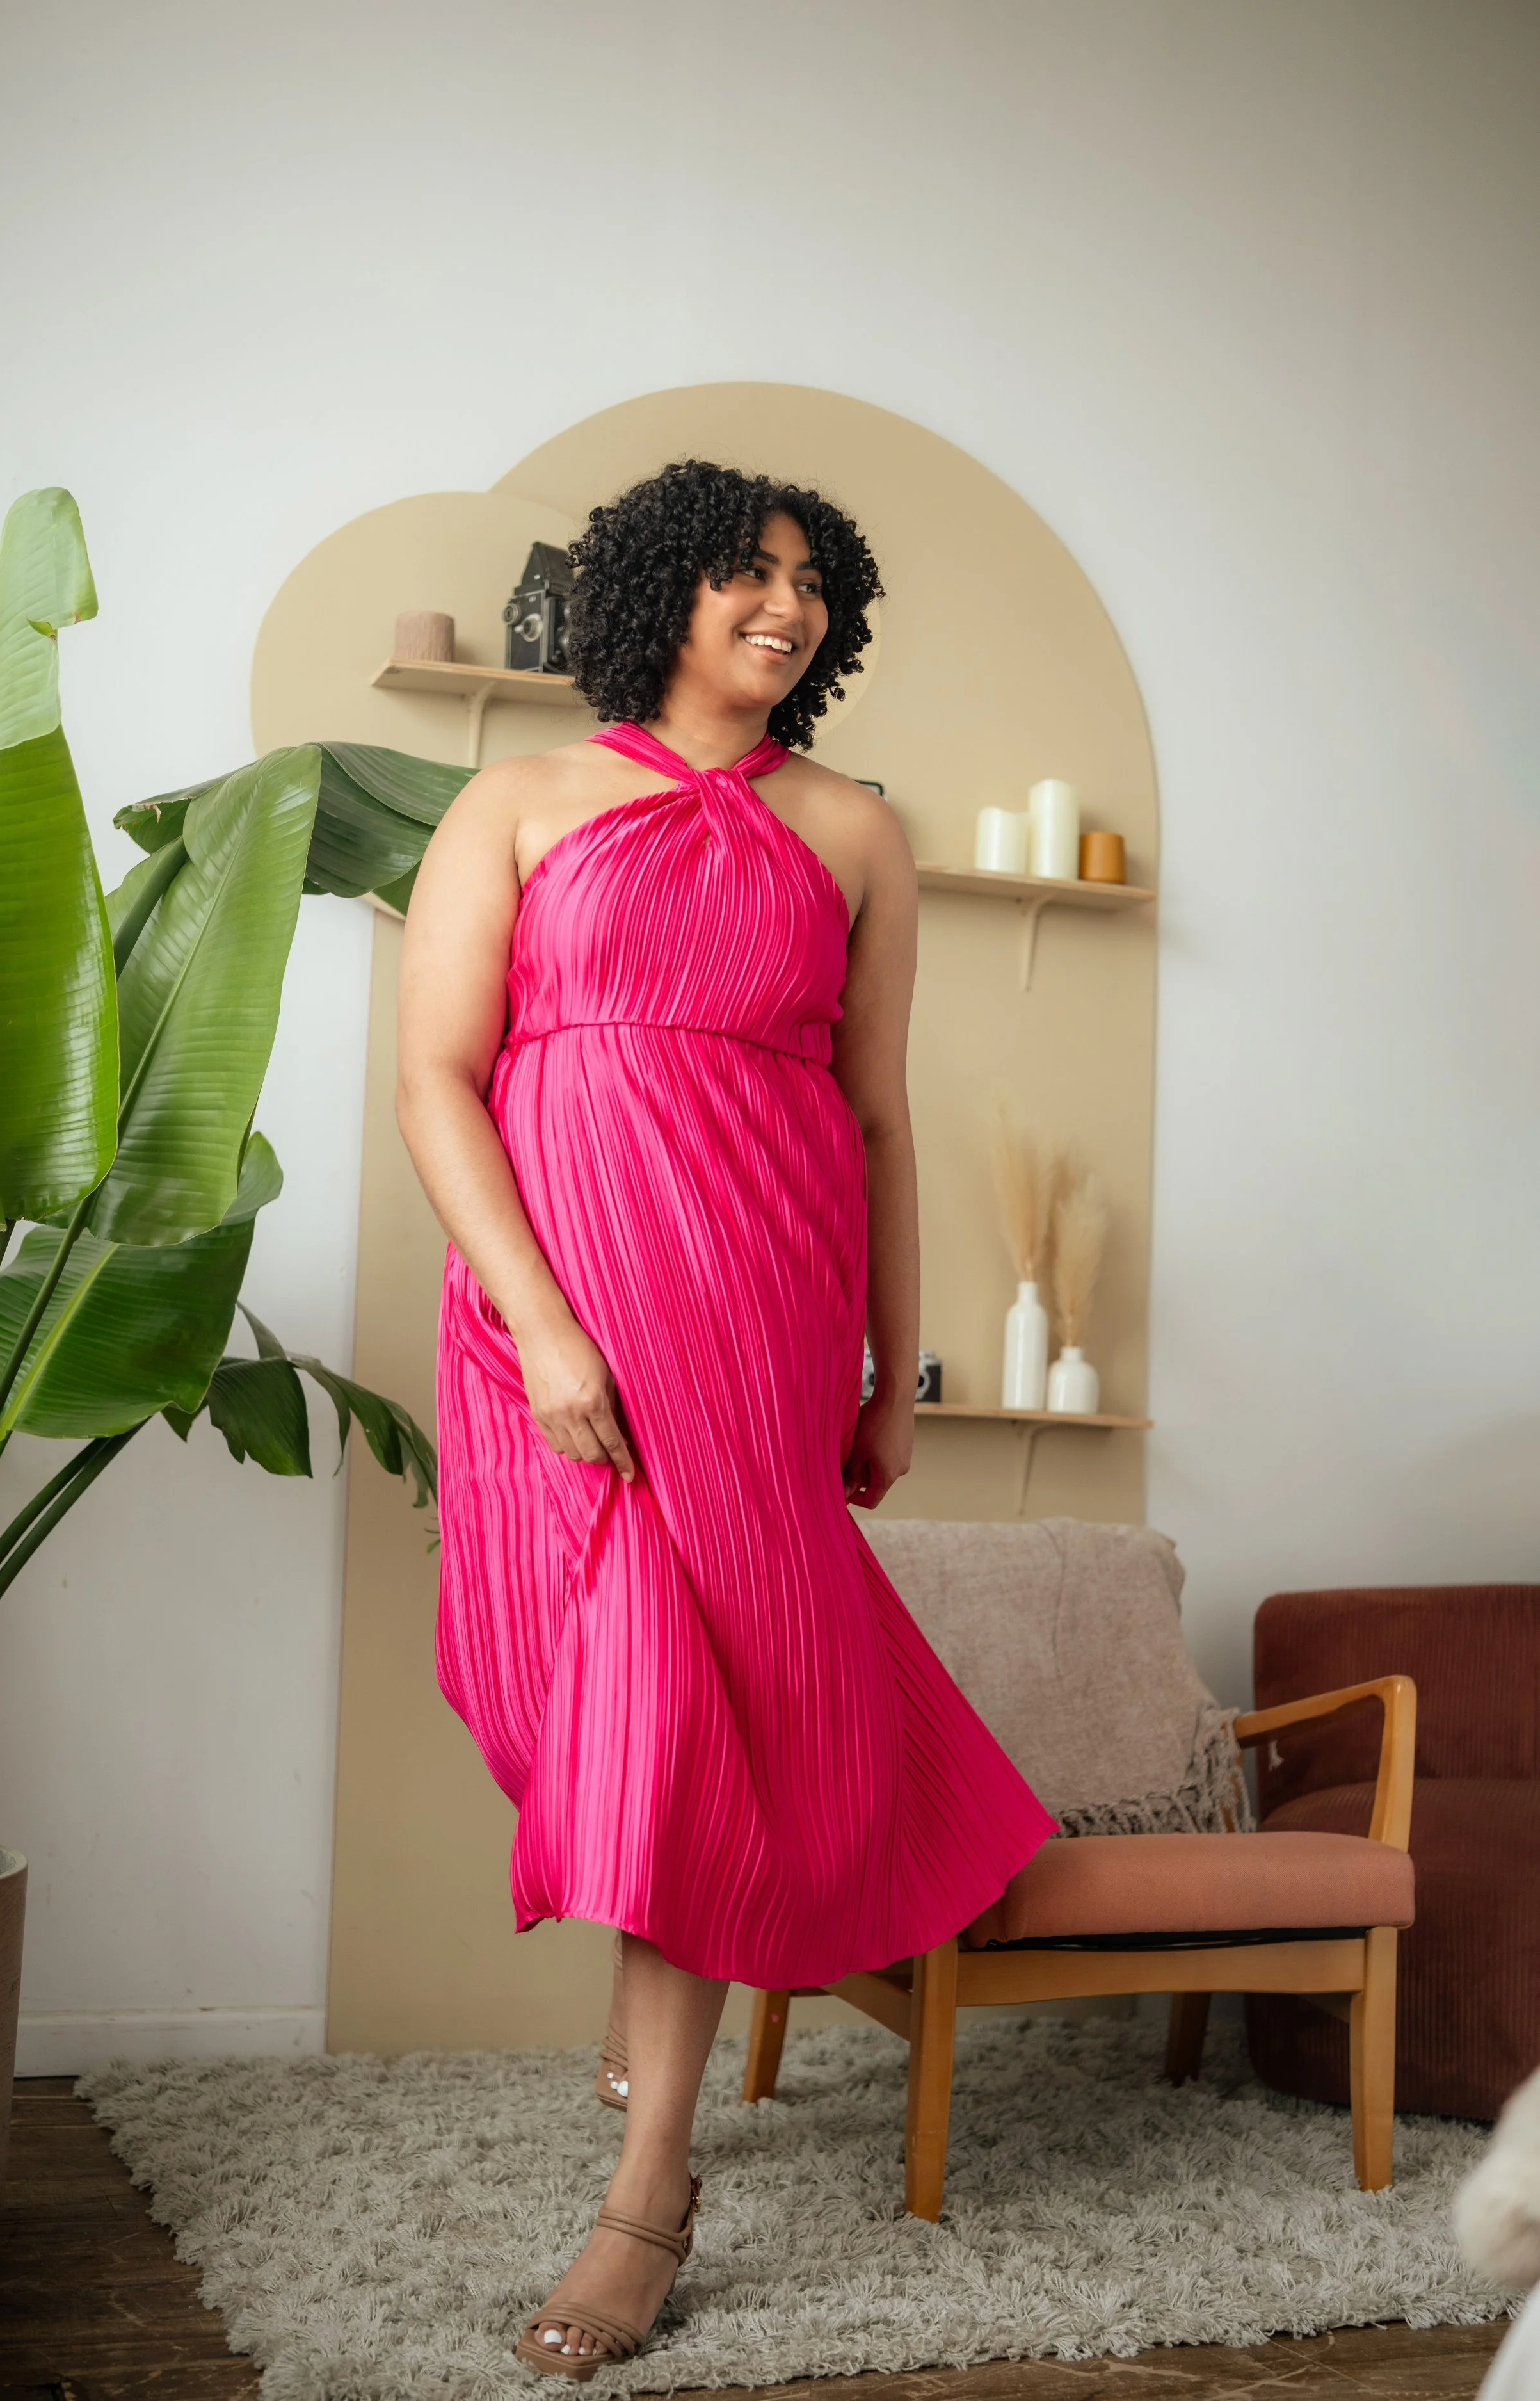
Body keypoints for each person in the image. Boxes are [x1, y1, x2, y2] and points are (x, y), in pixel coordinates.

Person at [396, 460, 1054, 2380]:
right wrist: (544, 1323)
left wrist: (890, 1359)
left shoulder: (853, 829)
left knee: (674, 1703)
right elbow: (440, 1081)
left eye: (808, 581)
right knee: (580, 1689)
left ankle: (648, 2191)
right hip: (564, 1302)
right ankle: (652, 1989)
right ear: (653, 597)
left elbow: (877, 1110)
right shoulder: (515, 799)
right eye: (741, 574)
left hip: (761, 1297)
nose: (782, 605)